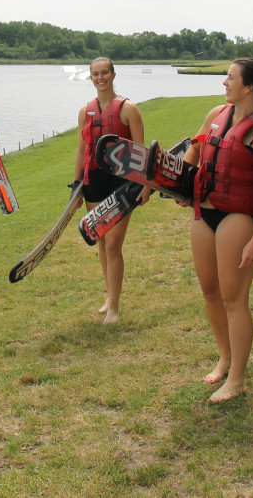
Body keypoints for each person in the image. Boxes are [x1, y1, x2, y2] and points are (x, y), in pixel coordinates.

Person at [181, 58, 253, 403]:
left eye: (230, 77)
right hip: (203, 214)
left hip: (237, 218)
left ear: (249, 86)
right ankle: (224, 358)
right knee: (210, 292)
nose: (224, 83)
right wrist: (178, 187)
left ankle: (237, 379)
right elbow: (192, 156)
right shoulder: (216, 115)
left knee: (234, 298)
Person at [74, 57, 151, 325]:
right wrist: (77, 184)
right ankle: (109, 296)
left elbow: (141, 152)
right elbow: (83, 149)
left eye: (104, 72)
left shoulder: (129, 109)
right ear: (91, 77)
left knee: (115, 244)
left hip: (122, 183)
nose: (100, 78)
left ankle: (115, 307)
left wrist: (145, 185)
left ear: (113, 74)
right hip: (94, 181)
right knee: (102, 242)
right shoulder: (86, 111)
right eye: (95, 74)